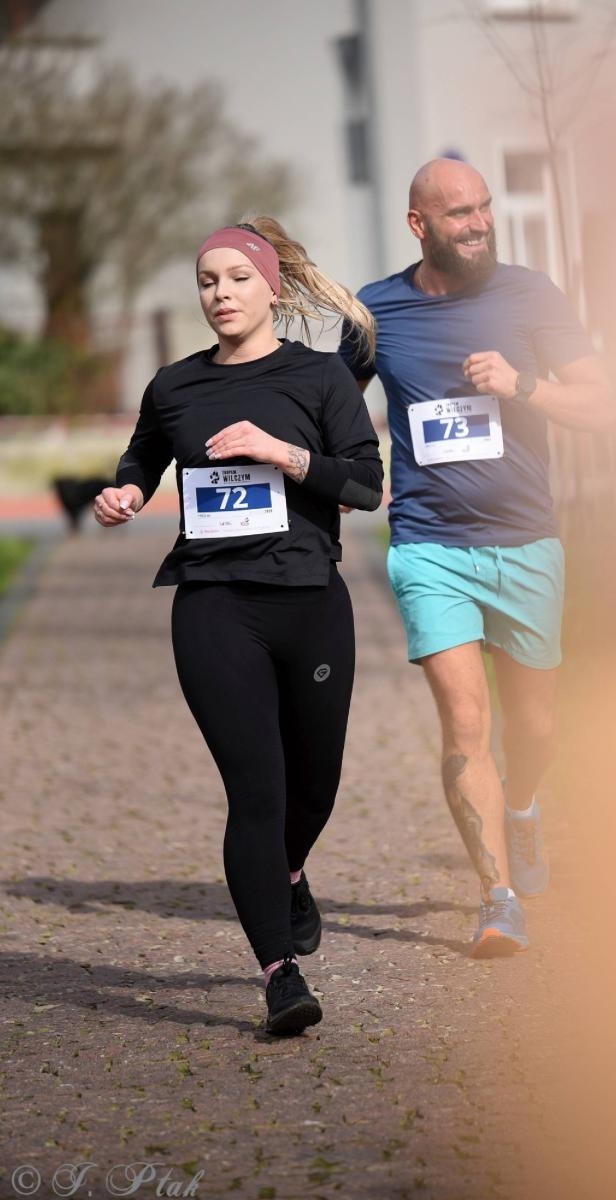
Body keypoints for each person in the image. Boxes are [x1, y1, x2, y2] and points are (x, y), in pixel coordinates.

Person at [95, 218, 383, 1032]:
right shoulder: (174, 385)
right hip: (215, 604)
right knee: (255, 789)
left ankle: (290, 873)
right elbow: (142, 460)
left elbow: (365, 485)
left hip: (308, 602)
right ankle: (278, 973)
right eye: (206, 281)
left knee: (313, 785)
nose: (219, 293)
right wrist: (123, 495)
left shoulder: (319, 378)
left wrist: (285, 454)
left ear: (271, 288)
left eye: (235, 278)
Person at [339, 158, 614, 957]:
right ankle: (497, 901)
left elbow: (602, 405)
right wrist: (352, 469)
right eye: (458, 212)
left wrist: (521, 385)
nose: (479, 222)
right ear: (418, 225)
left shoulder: (530, 295)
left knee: (535, 726)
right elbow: (332, 408)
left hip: (526, 542)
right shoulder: (376, 310)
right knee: (465, 723)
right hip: (429, 546)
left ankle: (522, 805)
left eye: (484, 207)